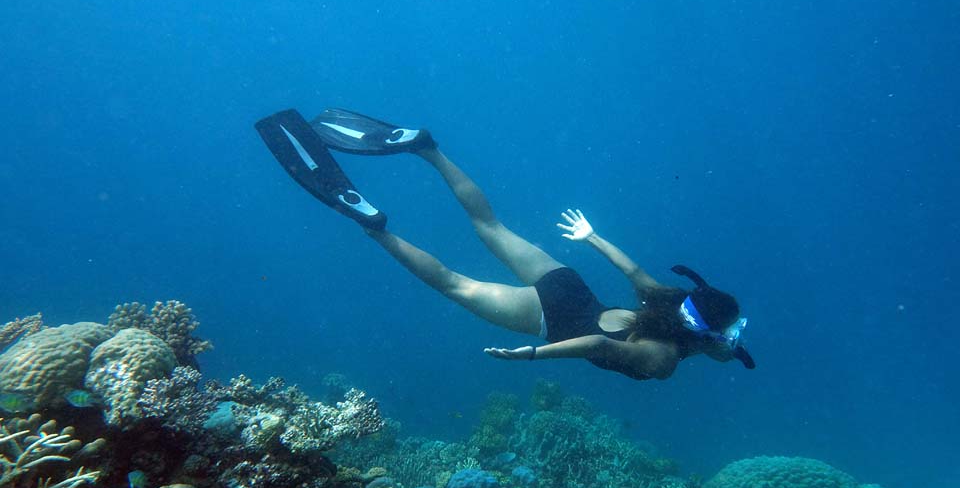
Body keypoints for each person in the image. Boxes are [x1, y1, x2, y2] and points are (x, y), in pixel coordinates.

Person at [255, 108, 755, 380]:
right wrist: (533, 356)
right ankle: (373, 224)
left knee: (489, 225)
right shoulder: (665, 360)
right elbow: (600, 344)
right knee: (454, 284)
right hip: (551, 320)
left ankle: (428, 149)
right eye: (730, 338)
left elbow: (634, 270)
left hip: (570, 286)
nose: (733, 345)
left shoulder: (670, 301)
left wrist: (591, 237)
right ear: (706, 335)